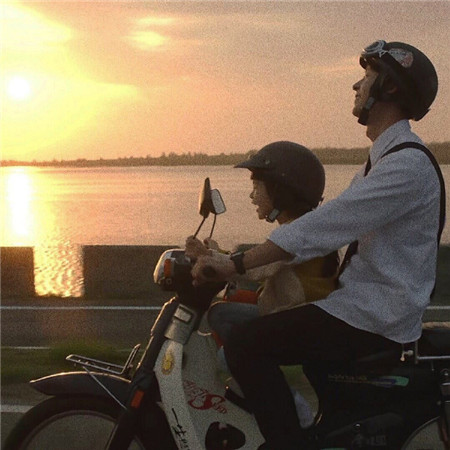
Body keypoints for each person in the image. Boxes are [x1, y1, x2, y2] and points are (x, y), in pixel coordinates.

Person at [191, 40, 444, 449]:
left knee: (246, 345)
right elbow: (323, 226)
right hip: (360, 307)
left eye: (367, 76)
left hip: (374, 317)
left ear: (390, 87)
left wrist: (235, 264)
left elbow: (326, 224)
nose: (356, 86)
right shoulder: (385, 159)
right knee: (248, 328)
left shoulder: (406, 165)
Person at [186, 142, 339, 427]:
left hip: (302, 319)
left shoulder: (299, 233)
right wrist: (212, 255)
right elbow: (253, 262)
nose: (252, 196)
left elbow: (256, 267)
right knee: (221, 314)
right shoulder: (298, 227)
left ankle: (296, 412)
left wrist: (213, 259)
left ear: (281, 190)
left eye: (257, 187)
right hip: (284, 310)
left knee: (229, 358)